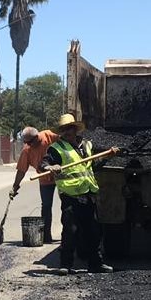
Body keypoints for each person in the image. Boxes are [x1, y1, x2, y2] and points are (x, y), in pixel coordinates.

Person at [41, 113, 119, 274]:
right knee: (70, 230)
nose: (67, 132)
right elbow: (43, 163)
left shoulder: (86, 145)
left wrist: (108, 156)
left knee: (93, 231)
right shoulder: (56, 148)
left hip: (89, 193)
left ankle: (96, 264)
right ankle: (65, 265)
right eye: (63, 130)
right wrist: (50, 167)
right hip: (71, 196)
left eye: (69, 128)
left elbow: (91, 166)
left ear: (75, 129)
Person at [11, 126, 59, 243]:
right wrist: (15, 186)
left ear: (37, 137)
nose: (28, 144)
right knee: (46, 206)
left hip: (61, 176)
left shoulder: (49, 136)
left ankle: (69, 236)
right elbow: (21, 170)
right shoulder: (27, 150)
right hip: (45, 179)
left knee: (68, 204)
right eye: (26, 142)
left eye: (30, 142)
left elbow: (65, 143)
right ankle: (46, 236)